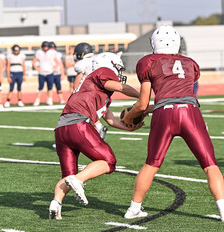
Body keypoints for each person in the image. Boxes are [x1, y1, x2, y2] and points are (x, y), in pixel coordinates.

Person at [122, 26, 224, 222]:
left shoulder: (147, 62)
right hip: (190, 113)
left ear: (154, 43)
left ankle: (133, 209)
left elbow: (143, 103)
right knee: (210, 164)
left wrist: (129, 117)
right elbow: (179, 96)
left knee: (151, 164)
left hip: (164, 115)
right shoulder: (190, 63)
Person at [49, 52, 142, 220]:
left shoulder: (92, 87)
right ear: (110, 65)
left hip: (61, 129)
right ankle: (78, 181)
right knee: (109, 161)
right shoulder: (102, 72)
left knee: (69, 176)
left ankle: (56, 203)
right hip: (78, 125)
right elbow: (121, 87)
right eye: (118, 69)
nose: (119, 74)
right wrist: (143, 96)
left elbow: (111, 120)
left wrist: (128, 129)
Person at [73, 42, 108, 140]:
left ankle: (98, 128)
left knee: (74, 118)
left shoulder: (82, 63)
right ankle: (97, 131)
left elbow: (76, 84)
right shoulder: (98, 59)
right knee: (91, 116)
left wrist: (75, 95)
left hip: (86, 93)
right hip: (101, 92)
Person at [32, 41, 59, 106]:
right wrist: (37, 68)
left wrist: (54, 68)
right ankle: (37, 100)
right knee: (40, 87)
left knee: (50, 87)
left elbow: (57, 62)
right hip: (42, 73)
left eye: (46, 47)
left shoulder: (52, 53)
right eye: (44, 47)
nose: (45, 48)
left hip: (49, 72)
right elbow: (34, 62)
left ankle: (49, 99)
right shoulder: (39, 52)